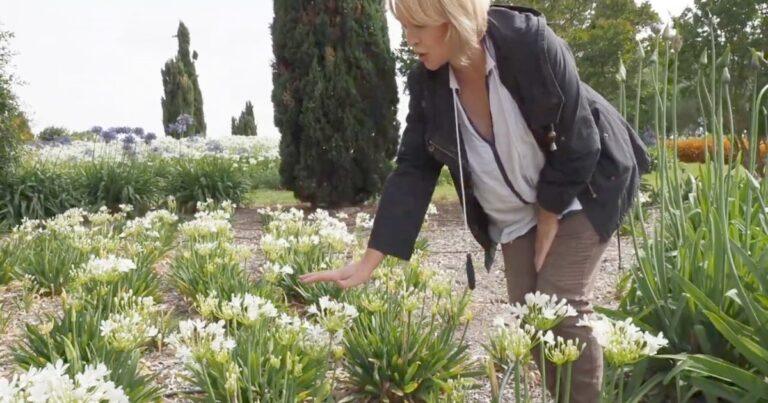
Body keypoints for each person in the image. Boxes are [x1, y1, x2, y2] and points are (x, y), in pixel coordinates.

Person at [301, 1, 650, 401]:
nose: (409, 39)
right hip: (517, 212)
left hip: (582, 186)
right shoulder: (428, 84)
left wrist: (549, 214)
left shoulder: (530, 43)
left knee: (560, 306)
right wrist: (369, 261)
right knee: (531, 315)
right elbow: (414, 169)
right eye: (405, 26)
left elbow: (581, 139)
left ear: (454, 19)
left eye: (419, 26)